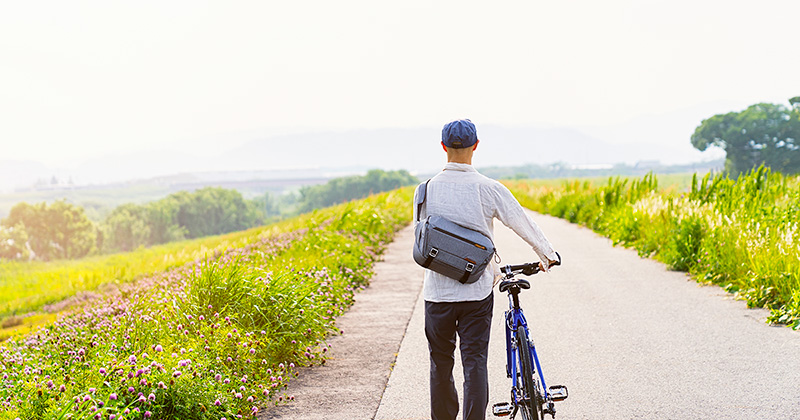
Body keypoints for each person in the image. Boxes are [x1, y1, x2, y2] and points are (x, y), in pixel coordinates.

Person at [413, 119, 559, 420]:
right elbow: (521, 221)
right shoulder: (488, 188)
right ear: (475, 146)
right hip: (476, 292)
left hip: (437, 293)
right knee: (475, 362)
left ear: (443, 147)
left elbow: (423, 237)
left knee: (440, 364)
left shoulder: (424, 191)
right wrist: (547, 255)